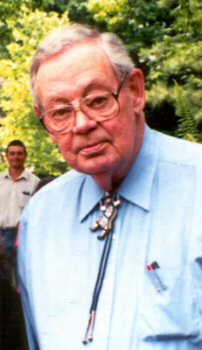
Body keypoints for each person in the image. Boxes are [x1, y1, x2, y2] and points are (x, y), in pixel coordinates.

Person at [18, 23, 202, 350]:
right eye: (60, 112)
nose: (82, 124)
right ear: (43, 119)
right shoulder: (41, 216)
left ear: (135, 91)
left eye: (98, 100)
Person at [0, 140, 40, 284]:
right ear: (7, 156)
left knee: (23, 278)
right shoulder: (0, 181)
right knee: (2, 281)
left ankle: (21, 306)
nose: (16, 156)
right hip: (1, 236)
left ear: (25, 156)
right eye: (12, 153)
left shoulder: (34, 182)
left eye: (19, 153)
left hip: (23, 236)